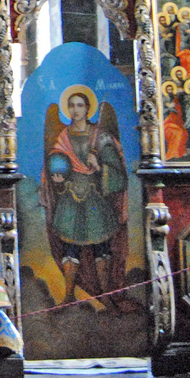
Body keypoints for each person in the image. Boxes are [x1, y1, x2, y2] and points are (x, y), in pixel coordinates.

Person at [45, 86, 128, 308]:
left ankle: (105, 294)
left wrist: (99, 166)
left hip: (94, 198)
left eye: (80, 105)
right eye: (71, 105)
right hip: (70, 198)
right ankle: (69, 295)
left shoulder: (99, 137)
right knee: (70, 250)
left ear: (88, 108)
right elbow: (55, 165)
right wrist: (58, 179)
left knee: (101, 249)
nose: (75, 110)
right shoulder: (63, 137)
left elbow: (118, 171)